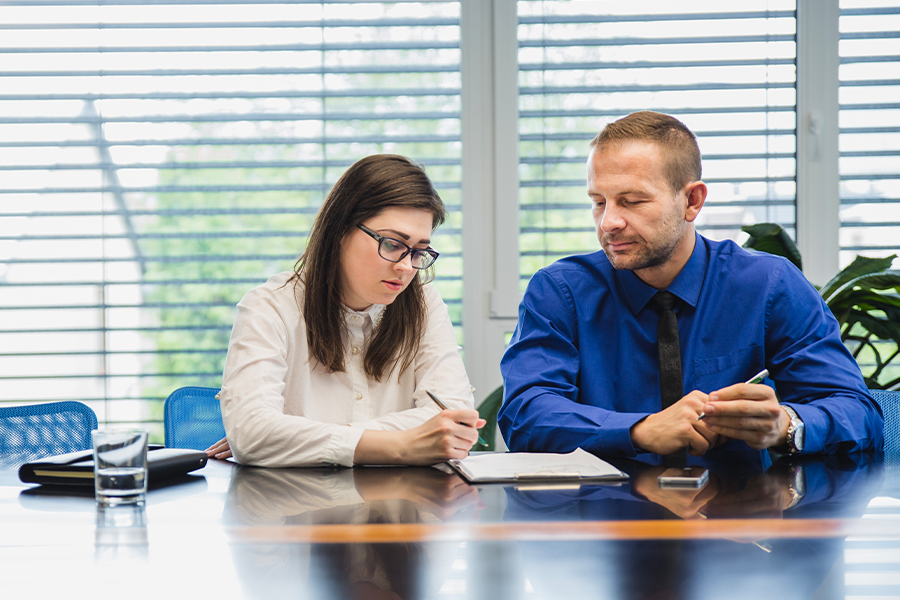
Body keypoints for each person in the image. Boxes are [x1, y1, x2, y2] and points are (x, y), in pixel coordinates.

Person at [499, 111, 883, 458]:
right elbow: (525, 413)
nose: (608, 222)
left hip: (739, 521)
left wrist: (787, 424)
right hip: (604, 522)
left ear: (692, 201)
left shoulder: (770, 285)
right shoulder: (560, 291)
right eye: (599, 201)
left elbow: (857, 410)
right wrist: (640, 430)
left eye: (631, 201)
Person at [207, 154, 484, 467]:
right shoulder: (269, 307)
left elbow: (452, 421)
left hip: (404, 508)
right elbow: (253, 433)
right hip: (296, 509)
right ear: (339, 230)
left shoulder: (425, 305)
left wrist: (301, 437)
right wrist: (402, 445)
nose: (407, 267)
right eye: (393, 244)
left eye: (419, 251)